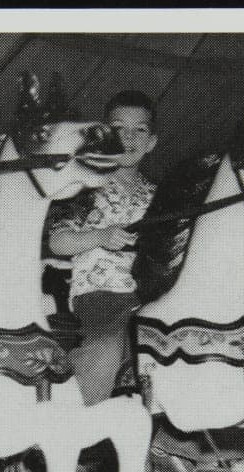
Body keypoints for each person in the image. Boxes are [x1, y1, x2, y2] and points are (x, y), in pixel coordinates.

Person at [47, 90, 158, 405]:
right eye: (119, 128)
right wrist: (99, 237)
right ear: (105, 134)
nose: (128, 137)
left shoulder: (159, 196)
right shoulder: (83, 186)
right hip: (101, 295)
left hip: (150, 295)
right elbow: (58, 240)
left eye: (140, 130)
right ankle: (75, 418)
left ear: (151, 142)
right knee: (107, 343)